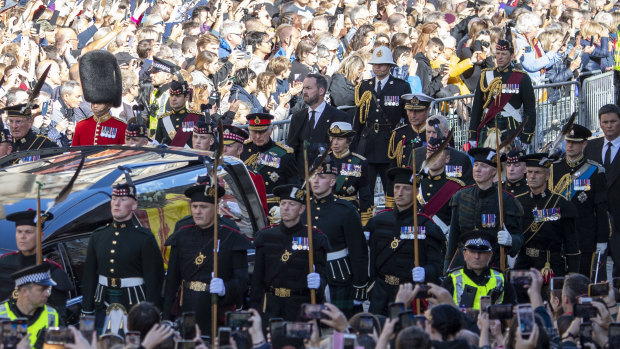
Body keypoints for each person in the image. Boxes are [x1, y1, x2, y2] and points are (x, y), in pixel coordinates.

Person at [163, 177, 253, 334]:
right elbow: (172, 280)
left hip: (216, 308)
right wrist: (166, 317)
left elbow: (242, 280)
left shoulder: (231, 237)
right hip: (187, 306)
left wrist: (225, 288)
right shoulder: (182, 235)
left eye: (203, 207)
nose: (197, 211)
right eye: (194, 206)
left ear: (215, 207)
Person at [81, 183, 165, 329]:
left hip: (134, 303)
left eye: (123, 199)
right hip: (103, 301)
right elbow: (89, 278)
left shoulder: (144, 238)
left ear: (134, 205)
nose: (117, 203)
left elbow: (154, 281)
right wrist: (87, 310)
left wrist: (152, 314)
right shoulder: (98, 236)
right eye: (114, 199)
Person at [366, 167, 444, 315]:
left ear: (415, 192)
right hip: (380, 292)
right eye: (397, 188)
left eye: (406, 189)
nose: (400, 193)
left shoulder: (426, 225)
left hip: (409, 293)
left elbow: (437, 266)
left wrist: (425, 272)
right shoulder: (378, 221)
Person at [249, 184, 330, 321]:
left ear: (302, 209)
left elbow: (324, 273)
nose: (286, 208)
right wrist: (254, 309)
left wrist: (319, 282)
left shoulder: (314, 238)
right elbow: (258, 279)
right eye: (283, 203)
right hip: (272, 306)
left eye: (292, 204)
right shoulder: (265, 236)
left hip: (301, 306)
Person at [307, 157, 368, 317]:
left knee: (341, 329)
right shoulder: (303, 208)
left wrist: (359, 287)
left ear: (333, 181)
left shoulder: (346, 210)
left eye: (321, 177)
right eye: (313, 176)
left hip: (338, 277)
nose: (316, 181)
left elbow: (358, 252)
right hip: (307, 276)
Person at [446, 147, 524, 272]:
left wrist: (511, 240)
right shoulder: (460, 197)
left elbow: (519, 237)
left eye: (483, 166)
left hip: (493, 264)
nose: (477, 169)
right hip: (463, 265)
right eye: (476, 165)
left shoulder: (506, 200)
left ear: (494, 171)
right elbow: (454, 238)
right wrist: (447, 267)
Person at [549, 124, 609, 280]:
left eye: (575, 142)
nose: (569, 146)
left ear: (584, 144)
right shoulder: (554, 169)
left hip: (584, 237)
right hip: (558, 237)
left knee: (582, 283)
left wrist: (602, 240)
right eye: (568, 141)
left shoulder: (595, 171)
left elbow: (601, 208)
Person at [353, 46, 412, 196]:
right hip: (368, 142)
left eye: (381, 64)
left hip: (389, 142)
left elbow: (408, 117)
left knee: (390, 189)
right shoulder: (364, 86)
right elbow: (359, 117)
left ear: (389, 66)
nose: (377, 68)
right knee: (366, 189)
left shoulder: (401, 86)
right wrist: (354, 143)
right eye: (375, 65)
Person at [514, 153, 580, 278]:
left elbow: (571, 241)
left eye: (537, 172)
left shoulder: (561, 204)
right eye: (529, 172)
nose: (532, 176)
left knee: (550, 297)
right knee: (521, 296)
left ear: (547, 176)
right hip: (523, 263)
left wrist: (572, 271)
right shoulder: (517, 202)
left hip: (549, 265)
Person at [0, 211, 71, 321]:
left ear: (41, 236)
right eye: (19, 231)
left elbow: (57, 318)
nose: (22, 236)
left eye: (28, 232)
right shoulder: (3, 262)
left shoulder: (54, 272)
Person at [468, 40, 536, 148]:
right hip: (488, 125)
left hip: (511, 127)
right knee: (486, 163)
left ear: (512, 55)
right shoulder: (485, 75)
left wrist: (526, 136)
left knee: (509, 164)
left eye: (504, 54)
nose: (499, 57)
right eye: (498, 53)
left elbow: (530, 109)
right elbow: (477, 107)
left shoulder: (522, 78)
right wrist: (472, 134)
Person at [584, 104, 620, 277]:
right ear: (600, 123)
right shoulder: (591, 147)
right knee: (597, 271)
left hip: (618, 214)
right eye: (605, 122)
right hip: (597, 217)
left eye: (613, 121)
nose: (609, 125)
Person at [286, 73, 349, 172]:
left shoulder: (339, 116)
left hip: (327, 177)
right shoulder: (298, 117)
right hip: (301, 179)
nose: (304, 92)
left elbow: (343, 151)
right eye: (303, 88)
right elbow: (291, 148)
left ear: (321, 91)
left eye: (309, 88)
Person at [442, 230, 515, 310]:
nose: (477, 256)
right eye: (472, 251)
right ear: (464, 254)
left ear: (490, 255)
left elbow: (512, 315)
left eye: (481, 252)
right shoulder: (450, 281)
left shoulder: (502, 280)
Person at [241, 113, 299, 210]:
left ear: (271, 131)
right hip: (248, 205)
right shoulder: (243, 150)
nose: (258, 136)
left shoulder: (284, 154)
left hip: (272, 207)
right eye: (254, 132)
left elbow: (293, 185)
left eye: (262, 132)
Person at [386, 93, 434, 208]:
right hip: (406, 189)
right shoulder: (398, 134)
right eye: (409, 110)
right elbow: (393, 168)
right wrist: (390, 201)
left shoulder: (436, 133)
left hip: (428, 188)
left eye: (418, 111)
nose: (413, 115)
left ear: (428, 110)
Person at [72, 50, 127, 146]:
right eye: (93, 102)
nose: (95, 106)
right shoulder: (81, 125)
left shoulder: (121, 127)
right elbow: (74, 153)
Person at [0, 264, 60, 349]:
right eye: (42, 289)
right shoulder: (2, 314)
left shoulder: (52, 315)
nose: (47, 294)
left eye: (48, 289)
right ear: (25, 291)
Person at [327, 122, 373, 226]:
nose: (335, 143)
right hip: (327, 208)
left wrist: (365, 222)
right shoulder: (323, 159)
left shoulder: (359, 161)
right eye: (333, 138)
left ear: (348, 141)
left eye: (340, 139)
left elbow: (364, 193)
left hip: (349, 209)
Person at [418, 137, 465, 237]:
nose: (432, 157)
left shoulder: (456, 187)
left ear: (447, 159)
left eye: (437, 154)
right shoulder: (416, 182)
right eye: (430, 153)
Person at [221, 124, 268, 215]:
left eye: (229, 146)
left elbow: (261, 212)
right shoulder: (213, 172)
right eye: (222, 145)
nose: (224, 149)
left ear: (240, 150)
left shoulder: (252, 176)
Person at [413, 115, 474, 185]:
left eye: (435, 132)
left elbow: (467, 186)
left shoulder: (461, 158)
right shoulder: (416, 154)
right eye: (428, 132)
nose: (431, 136)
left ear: (446, 132)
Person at [155, 80, 203, 147]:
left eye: (178, 96)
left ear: (186, 97)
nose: (173, 99)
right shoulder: (163, 120)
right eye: (171, 95)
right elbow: (158, 144)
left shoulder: (197, 117)